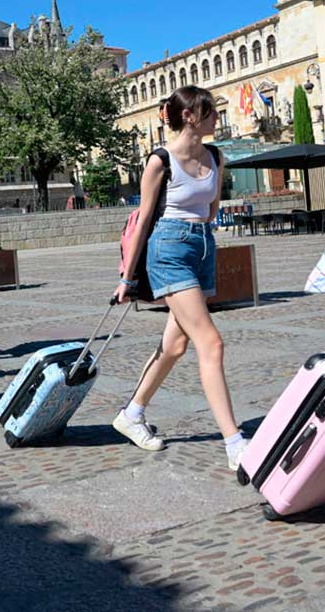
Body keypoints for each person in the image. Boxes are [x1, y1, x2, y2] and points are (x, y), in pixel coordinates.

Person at [114, 85, 248, 471]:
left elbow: (211, 209)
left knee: (174, 347)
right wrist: (128, 278)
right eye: (210, 112)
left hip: (202, 247)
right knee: (212, 342)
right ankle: (234, 442)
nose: (216, 118)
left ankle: (132, 413)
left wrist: (201, 237)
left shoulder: (216, 156)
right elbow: (142, 222)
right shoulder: (160, 161)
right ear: (189, 116)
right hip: (169, 248)